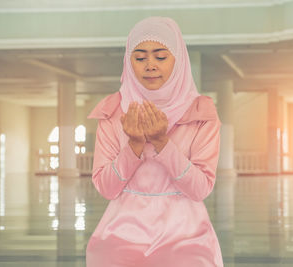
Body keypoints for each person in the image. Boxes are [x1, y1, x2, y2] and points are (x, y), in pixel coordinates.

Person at [86, 16, 223, 267]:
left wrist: (162, 142)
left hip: (186, 237)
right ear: (128, 62)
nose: (150, 66)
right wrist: (134, 145)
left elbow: (200, 188)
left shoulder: (201, 113)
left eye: (160, 57)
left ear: (178, 60)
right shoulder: (113, 111)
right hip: (121, 235)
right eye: (140, 58)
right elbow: (106, 189)